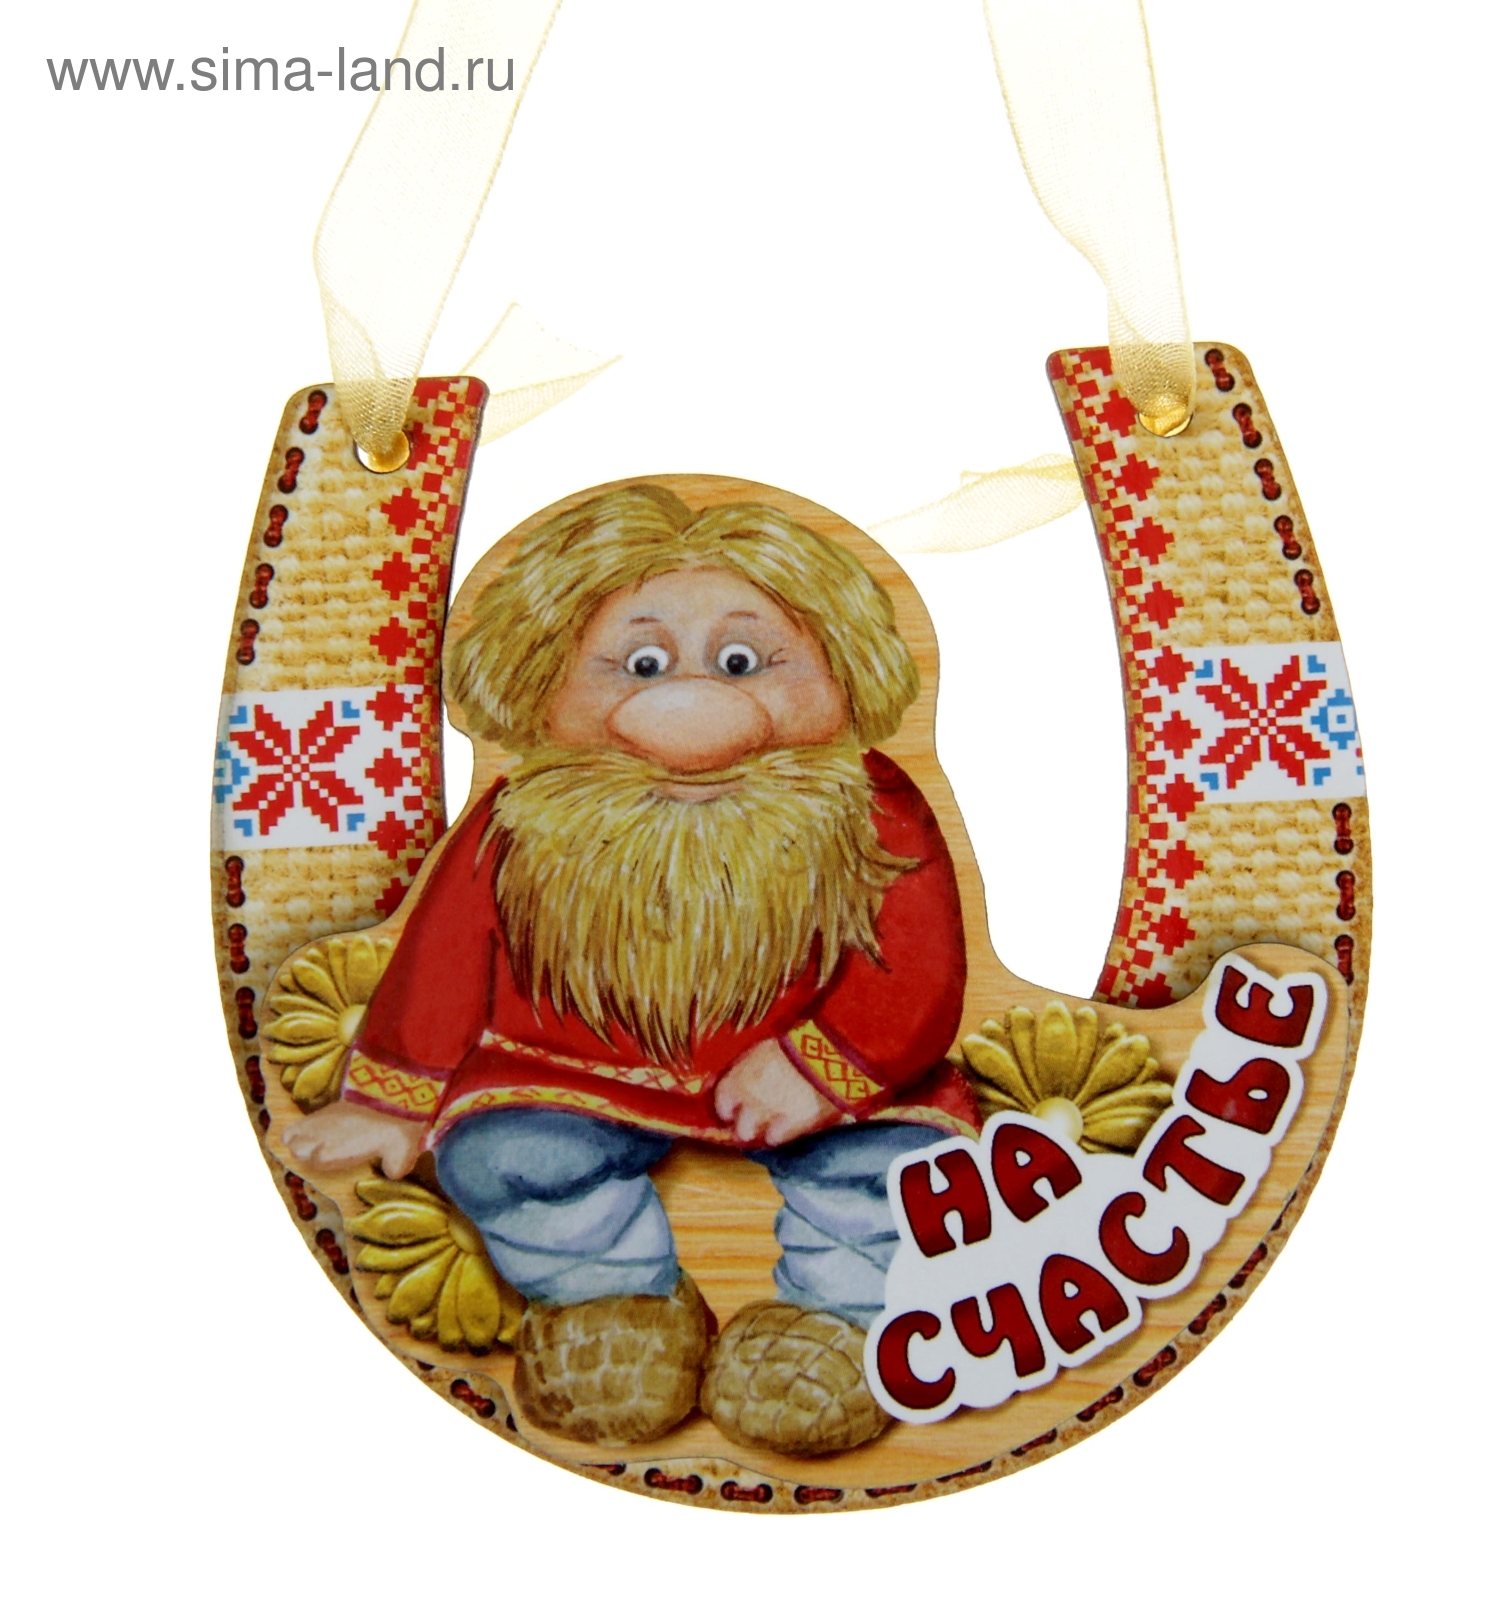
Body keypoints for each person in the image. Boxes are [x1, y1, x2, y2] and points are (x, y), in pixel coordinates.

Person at [284, 485, 976, 1453]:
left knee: (895, 1175)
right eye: (642, 663)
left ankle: (837, 1327)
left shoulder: (867, 808)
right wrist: (393, 1097)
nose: (690, 700)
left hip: (812, 1076)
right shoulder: (528, 817)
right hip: (578, 1073)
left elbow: (918, 966)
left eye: (741, 661)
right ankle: (612, 1303)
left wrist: (827, 1064)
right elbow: (443, 958)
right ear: (543, 679)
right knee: (501, 1160)